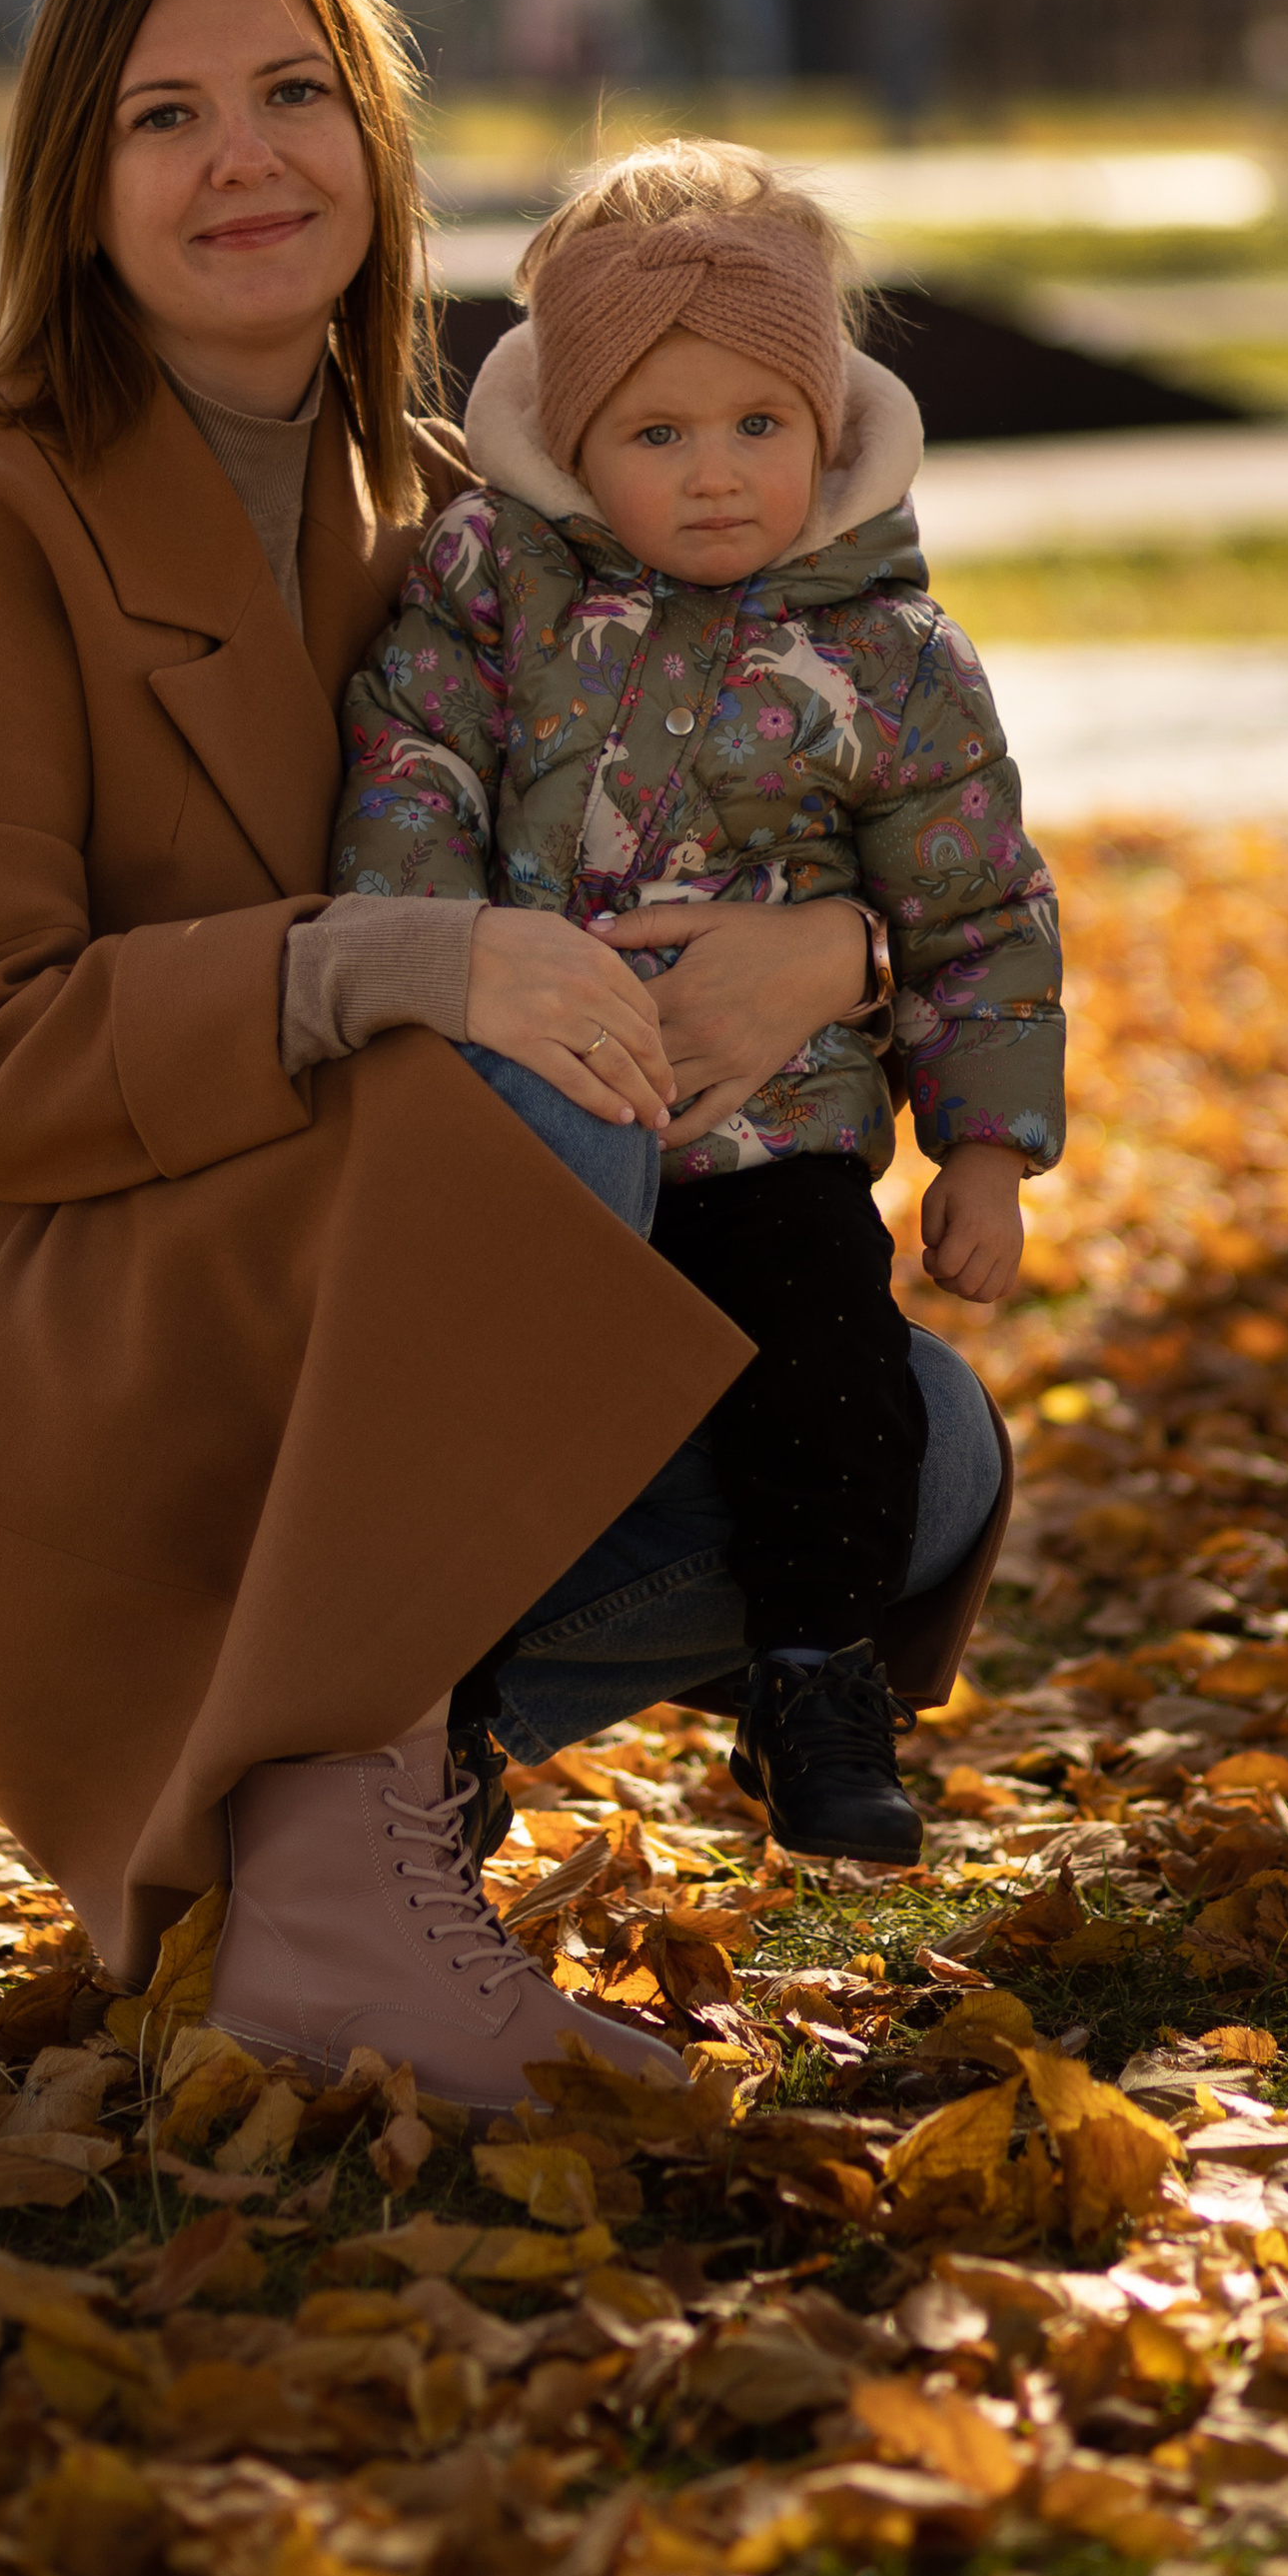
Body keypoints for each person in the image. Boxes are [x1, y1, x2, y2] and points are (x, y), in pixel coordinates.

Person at [0, 0, 1014, 2113]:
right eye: (162, 115)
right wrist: (392, 958)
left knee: (911, 1458)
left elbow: (774, 813)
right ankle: (331, 1885)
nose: (244, 159)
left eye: (294, 93)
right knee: (524, 1062)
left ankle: (360, 1818)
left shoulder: (471, 531)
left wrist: (850, 951)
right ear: (73, 182)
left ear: (377, 144)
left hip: (293, 1247)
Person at [333, 144, 1063, 1871]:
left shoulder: (893, 655)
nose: (718, 475)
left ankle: (817, 1683)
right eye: (658, 436)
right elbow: (413, 758)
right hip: (542, 1119)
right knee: (503, 1420)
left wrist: (985, 1147)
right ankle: (435, 1723)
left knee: (831, 1373)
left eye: (758, 425)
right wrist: (424, 954)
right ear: (576, 445)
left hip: (775, 1132)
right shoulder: (495, 587)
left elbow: (975, 904)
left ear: (825, 422)